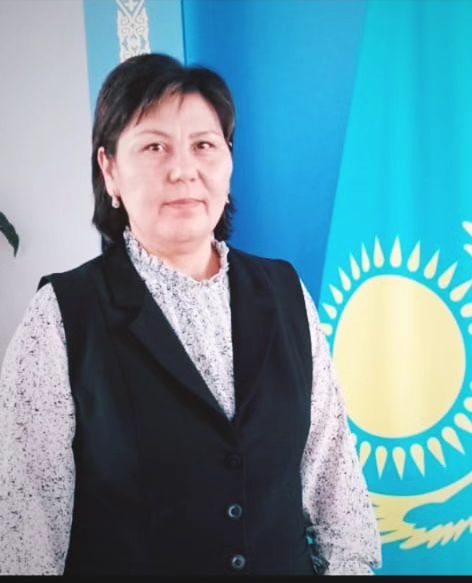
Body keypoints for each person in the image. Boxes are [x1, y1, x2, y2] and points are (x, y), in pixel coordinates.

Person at [0, 53, 381, 576]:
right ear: (109, 169)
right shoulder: (62, 317)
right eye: (154, 147)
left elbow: (340, 499)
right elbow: (24, 536)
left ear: (229, 161)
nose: (183, 170)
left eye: (203, 145)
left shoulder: (284, 293)